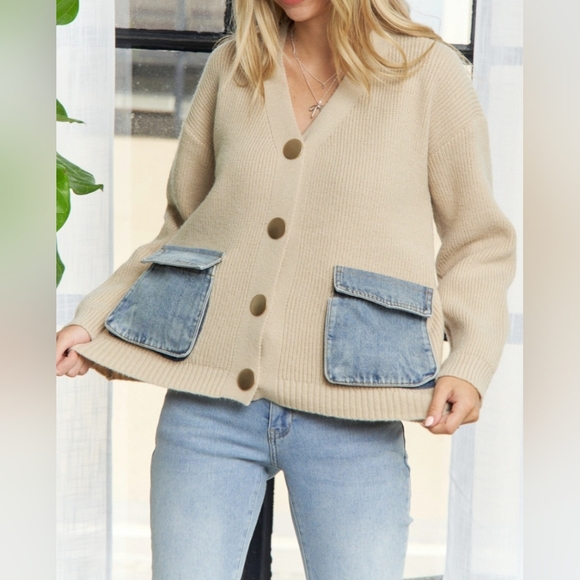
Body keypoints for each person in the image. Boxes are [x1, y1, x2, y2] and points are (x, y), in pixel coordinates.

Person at [56, 0, 516, 578]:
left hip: (352, 414)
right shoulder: (234, 66)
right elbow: (182, 230)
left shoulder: (428, 73)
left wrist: (469, 362)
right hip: (209, 410)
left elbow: (478, 241)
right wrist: (94, 319)